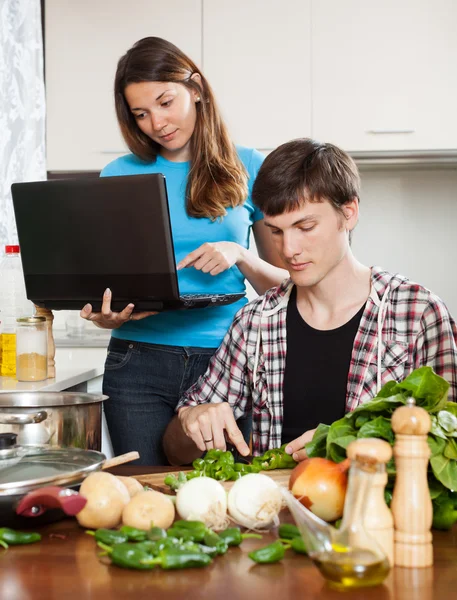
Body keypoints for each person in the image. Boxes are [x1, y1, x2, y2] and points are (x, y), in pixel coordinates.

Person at [163, 137, 457, 465]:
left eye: (305, 227)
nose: (288, 249)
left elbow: (449, 446)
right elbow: (174, 449)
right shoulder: (255, 321)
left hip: (374, 513)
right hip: (276, 513)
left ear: (349, 213)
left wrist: (344, 442)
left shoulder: (417, 313)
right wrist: (192, 422)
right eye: (276, 231)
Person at [80, 37, 287, 465]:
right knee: (143, 501)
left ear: (195, 88)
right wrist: (106, 316)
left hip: (229, 360)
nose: (157, 122)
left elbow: (287, 285)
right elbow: (111, 285)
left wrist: (241, 254)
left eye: (165, 102)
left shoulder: (250, 165)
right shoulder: (117, 174)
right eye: (141, 113)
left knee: (226, 497)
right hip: (136, 363)